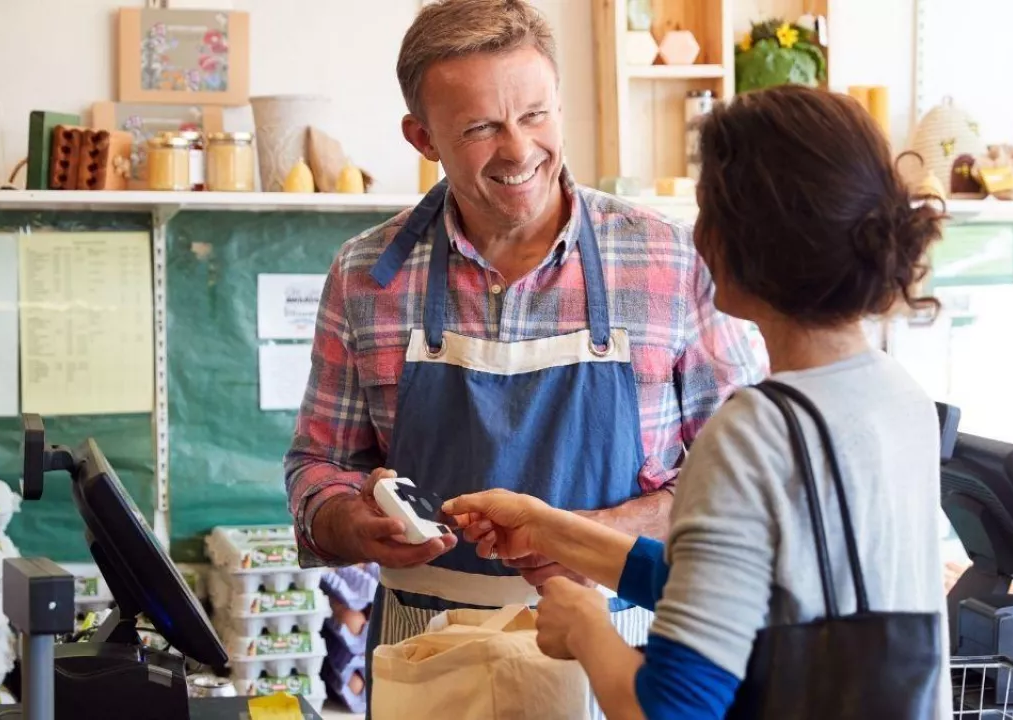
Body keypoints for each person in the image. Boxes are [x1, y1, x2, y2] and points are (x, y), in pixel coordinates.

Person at [282, 0, 765, 712]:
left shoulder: (668, 258)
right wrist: (349, 521)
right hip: (431, 657)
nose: (518, 150)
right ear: (422, 138)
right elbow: (316, 466)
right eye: (481, 127)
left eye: (536, 115)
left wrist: (591, 539)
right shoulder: (366, 274)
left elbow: (744, 484)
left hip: (621, 649)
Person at [443, 83, 951, 720]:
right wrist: (549, 528)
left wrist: (584, 628)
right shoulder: (895, 393)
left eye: (705, 209)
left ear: (748, 239)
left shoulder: (752, 434)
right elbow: (741, 595)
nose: (696, 234)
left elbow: (671, 713)